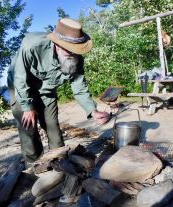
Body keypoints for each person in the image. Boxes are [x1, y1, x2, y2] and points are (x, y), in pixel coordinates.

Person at [7, 18, 110, 163]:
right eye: (66, 47)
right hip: (20, 88)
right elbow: (20, 78)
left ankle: (60, 162)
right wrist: (28, 107)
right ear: (56, 42)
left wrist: (93, 111)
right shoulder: (32, 46)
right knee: (28, 128)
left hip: (47, 92)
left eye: (74, 49)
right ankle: (33, 164)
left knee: (52, 126)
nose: (71, 53)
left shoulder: (77, 59)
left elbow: (79, 86)